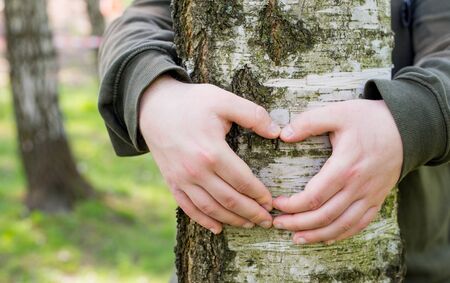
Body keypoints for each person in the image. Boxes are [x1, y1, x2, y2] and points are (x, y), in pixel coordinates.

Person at [98, 0, 450, 281]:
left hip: (413, 263)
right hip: (221, 259)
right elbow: (140, 21)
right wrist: (155, 95)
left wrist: (410, 119)